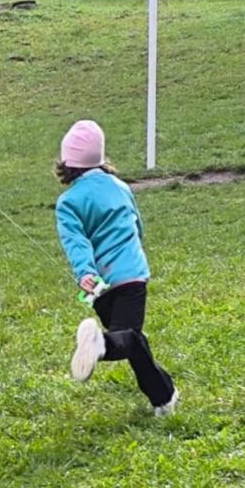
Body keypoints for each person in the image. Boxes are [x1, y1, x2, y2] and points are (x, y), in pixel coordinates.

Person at [55, 119, 178, 417]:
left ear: (66, 162)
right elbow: (137, 224)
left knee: (130, 340)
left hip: (100, 285)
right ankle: (105, 349)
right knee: (129, 339)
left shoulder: (68, 202)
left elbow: (77, 242)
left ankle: (163, 398)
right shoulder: (120, 187)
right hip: (132, 275)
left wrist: (85, 271)